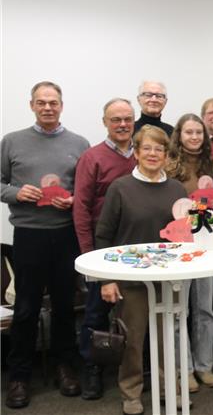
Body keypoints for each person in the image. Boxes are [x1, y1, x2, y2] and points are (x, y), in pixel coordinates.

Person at [2, 81, 90, 409]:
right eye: (41, 102)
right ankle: (19, 376)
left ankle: (64, 367)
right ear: (31, 105)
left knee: (65, 306)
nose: (48, 107)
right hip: (28, 235)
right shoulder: (12, 141)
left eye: (53, 102)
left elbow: (85, 189)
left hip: (65, 235)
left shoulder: (79, 143)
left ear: (62, 106)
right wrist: (16, 193)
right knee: (25, 308)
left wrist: (72, 200)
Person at [95, 125, 187, 415]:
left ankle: (167, 389)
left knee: (166, 339)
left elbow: (184, 234)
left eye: (158, 149)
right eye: (146, 148)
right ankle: (131, 393)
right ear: (135, 152)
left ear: (166, 155)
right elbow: (103, 237)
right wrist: (106, 279)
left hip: (168, 278)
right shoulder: (120, 188)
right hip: (131, 281)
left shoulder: (176, 189)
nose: (152, 154)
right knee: (133, 341)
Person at [73, 97, 137, 400]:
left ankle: (137, 369)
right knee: (96, 315)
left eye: (127, 119)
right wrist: (89, 257)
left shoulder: (145, 155)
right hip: (103, 249)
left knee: (136, 313)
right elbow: (81, 209)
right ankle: (92, 369)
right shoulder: (92, 157)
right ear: (105, 123)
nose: (122, 124)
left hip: (138, 251)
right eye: (116, 120)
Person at [165, 113, 213, 391]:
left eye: (199, 132)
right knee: (179, 312)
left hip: (207, 246)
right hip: (178, 249)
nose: (195, 137)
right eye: (189, 132)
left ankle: (204, 366)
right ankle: (183, 369)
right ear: (179, 135)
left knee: (205, 310)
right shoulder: (168, 167)